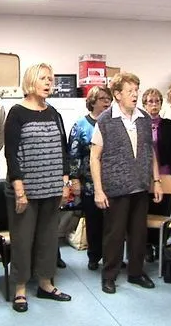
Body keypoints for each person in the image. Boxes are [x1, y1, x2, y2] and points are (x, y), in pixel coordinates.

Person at [4, 63, 72, 313]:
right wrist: (19, 189)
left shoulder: (54, 112)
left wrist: (65, 182)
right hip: (27, 191)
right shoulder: (17, 113)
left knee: (47, 239)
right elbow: (11, 154)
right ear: (31, 81)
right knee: (22, 241)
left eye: (50, 79)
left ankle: (45, 283)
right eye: (43, 78)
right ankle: (20, 288)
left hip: (52, 188)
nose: (49, 83)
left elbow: (63, 151)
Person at [90, 72, 163, 295]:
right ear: (118, 94)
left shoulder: (143, 118)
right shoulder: (105, 120)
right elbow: (94, 156)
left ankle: (136, 272)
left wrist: (157, 180)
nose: (134, 95)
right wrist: (98, 190)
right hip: (115, 187)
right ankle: (109, 276)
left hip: (140, 186)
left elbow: (150, 151)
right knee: (114, 234)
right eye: (130, 91)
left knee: (138, 233)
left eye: (136, 90)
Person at [67, 86, 112, 271]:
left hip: (112, 182)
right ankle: (94, 256)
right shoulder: (81, 125)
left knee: (112, 223)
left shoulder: (113, 123)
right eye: (102, 98)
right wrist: (74, 180)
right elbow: (73, 154)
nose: (106, 102)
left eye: (108, 99)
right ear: (92, 102)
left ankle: (112, 256)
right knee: (93, 222)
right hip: (89, 184)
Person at [141, 88, 171, 261]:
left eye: (157, 101)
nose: (154, 104)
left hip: (164, 172)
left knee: (163, 210)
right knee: (146, 212)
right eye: (150, 101)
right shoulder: (139, 123)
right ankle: (147, 246)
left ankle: (160, 245)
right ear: (144, 104)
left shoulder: (169, 125)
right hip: (144, 174)